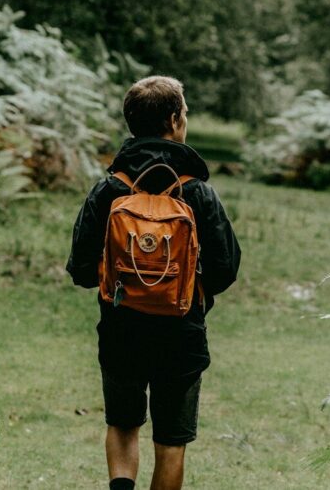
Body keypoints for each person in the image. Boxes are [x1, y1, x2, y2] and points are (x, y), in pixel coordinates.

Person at [67, 76, 241, 490]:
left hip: (121, 326)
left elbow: (81, 270)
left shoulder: (111, 189)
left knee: (123, 425)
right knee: (170, 443)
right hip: (181, 332)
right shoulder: (197, 192)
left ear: (132, 124)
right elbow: (226, 268)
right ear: (175, 119)